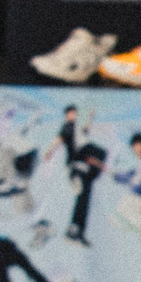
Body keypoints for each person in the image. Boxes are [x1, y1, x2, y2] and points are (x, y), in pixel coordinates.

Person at [44, 104, 107, 244]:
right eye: (72, 114)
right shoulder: (68, 127)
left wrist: (90, 116)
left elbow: (86, 130)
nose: (74, 116)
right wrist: (49, 151)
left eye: (75, 114)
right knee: (100, 152)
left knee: (84, 199)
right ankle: (75, 178)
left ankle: (77, 231)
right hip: (76, 162)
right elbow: (58, 140)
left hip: (85, 165)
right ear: (67, 115)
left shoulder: (78, 129)